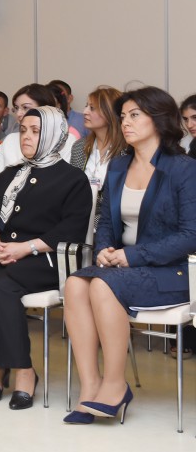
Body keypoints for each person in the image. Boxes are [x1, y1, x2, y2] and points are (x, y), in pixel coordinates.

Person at [64, 87, 196, 424]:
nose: (126, 122)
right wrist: (107, 249)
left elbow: (190, 235)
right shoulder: (119, 166)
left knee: (100, 286)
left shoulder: (183, 168)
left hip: (173, 273)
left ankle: (115, 384)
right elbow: (107, 220)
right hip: (123, 269)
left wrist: (132, 256)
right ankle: (90, 384)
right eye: (123, 116)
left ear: (159, 119)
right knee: (76, 284)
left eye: (135, 115)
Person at [0, 106, 91, 410]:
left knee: (0, 287)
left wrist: (25, 248)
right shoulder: (10, 175)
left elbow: (71, 229)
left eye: (36, 131)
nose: (27, 137)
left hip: (47, 259)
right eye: (24, 130)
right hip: (6, 253)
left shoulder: (73, 179)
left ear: (54, 136)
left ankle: (23, 369)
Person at [0, 84, 74, 179]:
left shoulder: (65, 140)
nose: (18, 114)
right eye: (16, 108)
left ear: (45, 109)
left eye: (25, 107)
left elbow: (65, 180)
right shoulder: (11, 140)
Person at [70, 86, 125, 190]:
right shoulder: (79, 146)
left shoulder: (127, 150)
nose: (85, 111)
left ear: (110, 112)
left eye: (92, 108)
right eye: (86, 106)